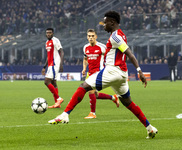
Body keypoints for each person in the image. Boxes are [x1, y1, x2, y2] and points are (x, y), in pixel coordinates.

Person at [48, 11, 158, 139]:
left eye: (105, 23)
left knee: (83, 86)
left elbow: (129, 53)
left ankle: (65, 114)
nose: (103, 25)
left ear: (112, 22)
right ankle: (150, 128)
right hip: (121, 74)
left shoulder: (115, 37)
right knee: (128, 103)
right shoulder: (120, 35)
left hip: (112, 71)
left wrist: (139, 71)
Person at [82, 29, 119, 119]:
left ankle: (92, 113)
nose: (91, 38)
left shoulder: (102, 47)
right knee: (95, 95)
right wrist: (84, 69)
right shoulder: (85, 47)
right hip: (90, 73)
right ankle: (113, 98)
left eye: (92, 36)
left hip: (99, 73)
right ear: (87, 37)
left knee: (90, 91)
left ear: (96, 37)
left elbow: (110, 56)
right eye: (89, 36)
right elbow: (85, 59)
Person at [41, 28, 64, 108]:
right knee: (53, 83)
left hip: (55, 64)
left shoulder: (55, 41)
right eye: (47, 33)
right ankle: (57, 104)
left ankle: (58, 98)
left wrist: (61, 64)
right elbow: (48, 56)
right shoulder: (47, 42)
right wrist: (44, 67)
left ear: (53, 33)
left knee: (46, 81)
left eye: (50, 33)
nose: (48, 34)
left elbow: (61, 51)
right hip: (50, 65)